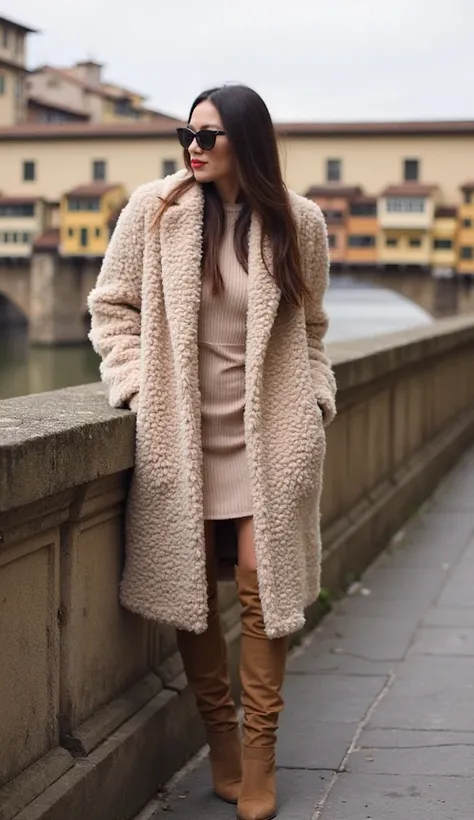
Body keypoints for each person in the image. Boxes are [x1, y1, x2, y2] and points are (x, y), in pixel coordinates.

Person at [88, 83, 336, 820]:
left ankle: (260, 756)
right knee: (190, 597)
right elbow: (112, 307)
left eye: (209, 136)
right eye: (186, 135)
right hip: (181, 434)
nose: (193, 148)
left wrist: (316, 398)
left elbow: (314, 326)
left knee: (264, 594)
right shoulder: (154, 211)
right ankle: (220, 744)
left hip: (270, 434)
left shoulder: (300, 222)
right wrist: (136, 387)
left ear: (248, 144)